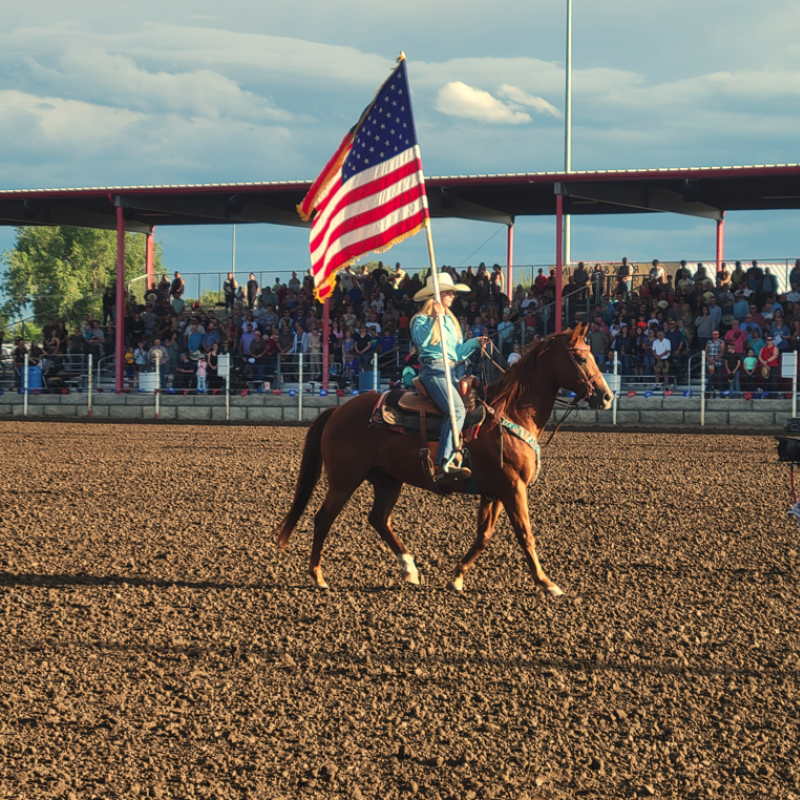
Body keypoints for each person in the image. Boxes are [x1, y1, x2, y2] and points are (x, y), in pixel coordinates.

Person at [411, 273, 485, 483]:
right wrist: (435, 318)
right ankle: (444, 462)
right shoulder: (421, 320)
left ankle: (463, 453)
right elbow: (422, 342)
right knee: (456, 409)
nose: (453, 295)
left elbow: (458, 353)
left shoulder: (452, 322)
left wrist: (475, 343)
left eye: (452, 292)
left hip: (451, 371)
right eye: (449, 292)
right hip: (433, 370)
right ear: (437, 295)